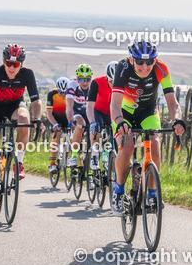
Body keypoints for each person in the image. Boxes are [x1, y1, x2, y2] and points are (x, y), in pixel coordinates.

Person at [109, 42, 185, 215]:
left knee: (155, 146)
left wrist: (177, 120)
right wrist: (120, 121)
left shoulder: (161, 69)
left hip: (148, 112)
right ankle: (119, 192)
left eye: (149, 62)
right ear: (131, 60)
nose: (145, 67)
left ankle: (152, 195)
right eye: (140, 62)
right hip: (124, 112)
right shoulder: (122, 68)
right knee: (127, 147)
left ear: (155, 60)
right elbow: (114, 105)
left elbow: (172, 103)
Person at [0, 44, 42, 205]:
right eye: (8, 63)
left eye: (15, 64)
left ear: (21, 64)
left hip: (14, 107)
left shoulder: (27, 74)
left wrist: (37, 119)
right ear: (4, 61)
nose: (12, 67)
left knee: (24, 119)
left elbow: (36, 101)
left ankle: (19, 163)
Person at [86, 61, 120, 171]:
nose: (113, 85)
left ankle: (114, 174)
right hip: (98, 111)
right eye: (111, 81)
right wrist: (92, 122)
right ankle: (94, 155)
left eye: (116, 82)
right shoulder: (97, 82)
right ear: (107, 78)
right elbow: (90, 106)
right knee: (97, 129)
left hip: (112, 113)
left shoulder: (122, 85)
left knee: (116, 140)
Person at [64, 64, 93, 168]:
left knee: (92, 133)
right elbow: (69, 106)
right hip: (76, 111)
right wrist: (70, 120)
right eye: (82, 79)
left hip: (89, 112)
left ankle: (89, 168)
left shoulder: (93, 86)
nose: (85, 82)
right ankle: (75, 154)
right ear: (77, 78)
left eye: (87, 79)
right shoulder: (72, 85)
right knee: (80, 124)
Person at [45, 77, 70, 174]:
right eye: (61, 92)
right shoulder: (52, 94)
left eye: (65, 92)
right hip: (55, 119)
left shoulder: (72, 94)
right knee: (57, 135)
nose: (63, 95)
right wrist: (54, 124)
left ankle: (69, 157)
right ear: (57, 90)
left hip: (67, 119)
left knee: (72, 136)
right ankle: (52, 163)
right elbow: (49, 113)